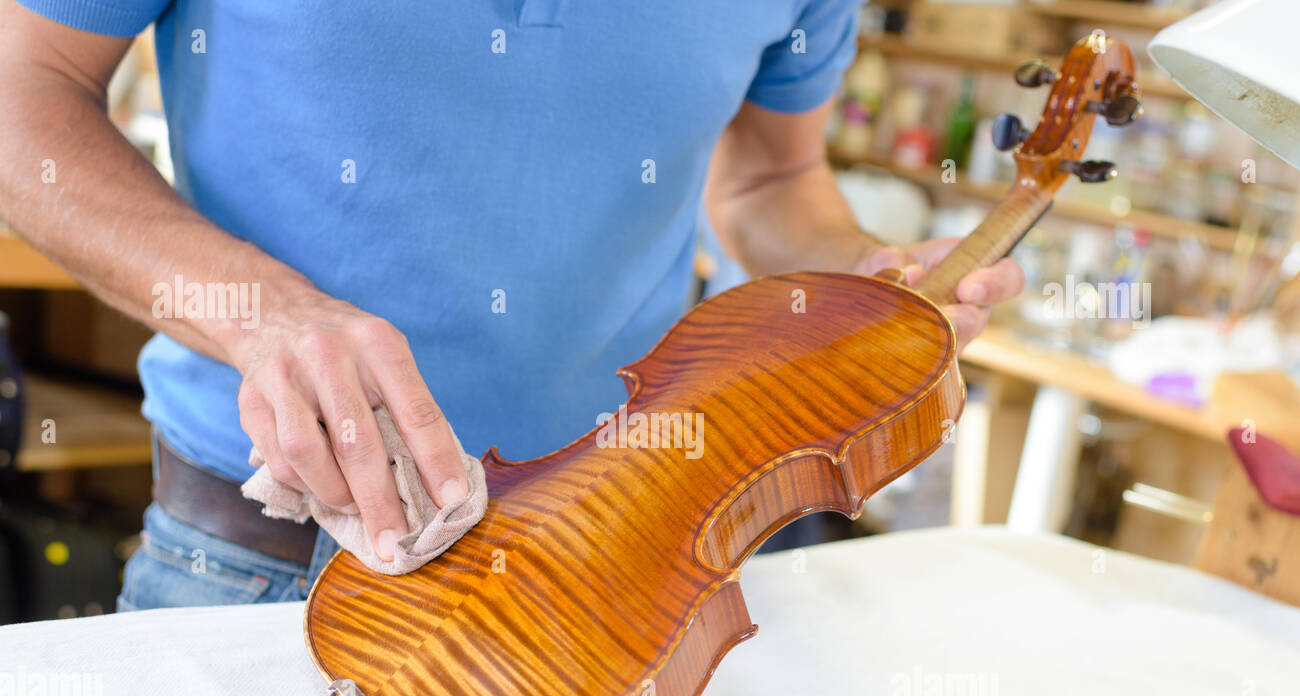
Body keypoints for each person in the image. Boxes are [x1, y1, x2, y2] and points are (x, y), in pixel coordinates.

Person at [0, 1, 1024, 611]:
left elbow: (763, 184)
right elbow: (21, 93)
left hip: (615, 561)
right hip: (255, 561)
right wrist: (259, 314)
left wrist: (858, 274)